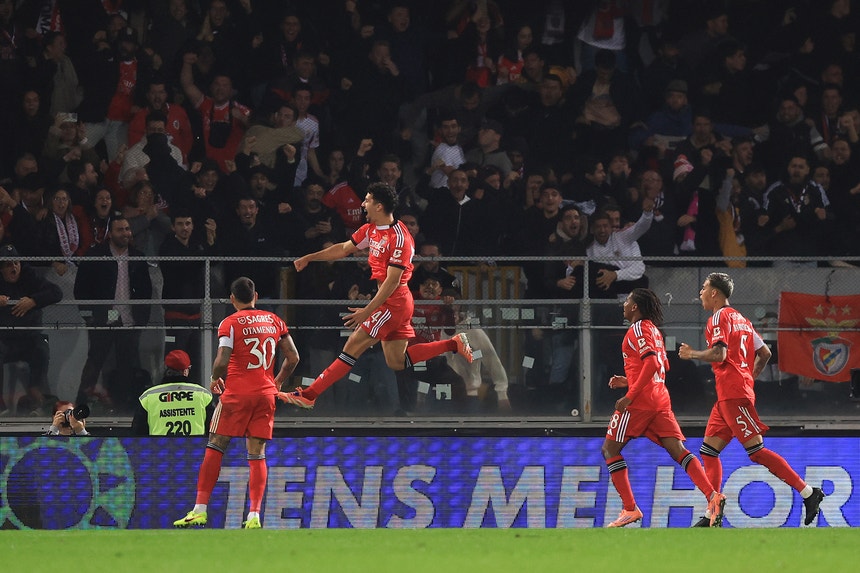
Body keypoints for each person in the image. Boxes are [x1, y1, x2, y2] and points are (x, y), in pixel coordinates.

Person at [280, 182, 474, 410]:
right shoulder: (371, 229)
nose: (363, 204)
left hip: (393, 303)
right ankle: (453, 343)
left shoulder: (400, 239)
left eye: (367, 200)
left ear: (379, 206)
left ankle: (310, 394)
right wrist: (310, 257)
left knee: (352, 346)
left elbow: (392, 282)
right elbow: (343, 248)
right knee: (397, 361)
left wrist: (367, 311)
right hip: (394, 302)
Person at [678, 272, 825, 527]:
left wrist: (692, 354)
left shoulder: (718, 317)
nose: (700, 292)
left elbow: (719, 354)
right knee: (709, 451)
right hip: (729, 394)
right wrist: (749, 376)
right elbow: (765, 352)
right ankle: (713, 512)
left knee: (756, 452)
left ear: (715, 293)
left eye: (703, 288)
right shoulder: (742, 320)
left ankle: (809, 493)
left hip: (733, 394)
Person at [174, 276, 299, 529]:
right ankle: (254, 515)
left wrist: (214, 378)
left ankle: (199, 509)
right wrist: (276, 382)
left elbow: (222, 359)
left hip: (237, 394)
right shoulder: (274, 320)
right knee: (257, 454)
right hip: (265, 395)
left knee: (215, 445)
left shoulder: (230, 323)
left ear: (232, 299)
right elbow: (293, 357)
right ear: (256, 296)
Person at [602, 288, 725, 528]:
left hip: (640, 402)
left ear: (635, 307)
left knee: (610, 449)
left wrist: (630, 394)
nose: (624, 305)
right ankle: (713, 497)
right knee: (678, 450)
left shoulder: (637, 329)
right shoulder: (655, 332)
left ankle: (630, 509)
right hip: (659, 398)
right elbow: (663, 366)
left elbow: (651, 363)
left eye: (627, 301)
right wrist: (628, 379)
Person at [73, 215, 153, 411]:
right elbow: (81, 290)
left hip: (129, 319)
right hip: (103, 319)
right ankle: (80, 403)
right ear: (110, 234)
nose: (125, 233)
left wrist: (141, 319)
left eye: (127, 229)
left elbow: (146, 291)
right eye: (120, 230)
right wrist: (89, 317)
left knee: (127, 364)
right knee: (95, 361)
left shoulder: (137, 257)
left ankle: (122, 405)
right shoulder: (95, 256)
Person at [0, 244, 63, 415]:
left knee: (41, 348)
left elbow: (56, 292)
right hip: (4, 338)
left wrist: (34, 301)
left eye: (16, 263)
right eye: (8, 265)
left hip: (28, 337)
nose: (13, 268)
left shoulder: (29, 276)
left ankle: (35, 400)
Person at [132, 350, 213, 436]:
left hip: (159, 448)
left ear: (165, 368)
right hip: (194, 448)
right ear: (186, 371)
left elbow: (137, 434)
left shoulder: (148, 396)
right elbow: (214, 431)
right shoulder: (203, 395)